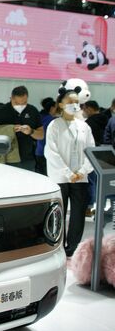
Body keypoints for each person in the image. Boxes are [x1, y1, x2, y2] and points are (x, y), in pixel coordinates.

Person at [45, 88, 95, 257]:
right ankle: (58, 246)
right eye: (70, 102)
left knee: (78, 213)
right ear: (61, 104)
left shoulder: (84, 126)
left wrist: (82, 171)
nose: (74, 105)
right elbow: (51, 152)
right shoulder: (54, 125)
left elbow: (91, 151)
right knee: (59, 212)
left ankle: (73, 248)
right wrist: (68, 173)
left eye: (76, 102)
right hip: (60, 176)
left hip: (80, 178)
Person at [0, 86, 43, 172]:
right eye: (16, 103)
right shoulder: (0, 111)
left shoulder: (33, 111)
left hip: (28, 160)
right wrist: (8, 129)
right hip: (6, 160)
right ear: (11, 98)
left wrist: (31, 131)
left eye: (24, 103)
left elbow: (41, 135)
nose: (20, 106)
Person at [83, 100, 109, 215]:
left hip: (92, 154)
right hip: (107, 154)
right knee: (103, 182)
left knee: (91, 181)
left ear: (89, 109)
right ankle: (102, 207)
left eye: (84, 109)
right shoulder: (107, 119)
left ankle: (89, 207)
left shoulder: (88, 123)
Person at [35, 97, 57, 175]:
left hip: (39, 150)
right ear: (52, 108)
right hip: (47, 152)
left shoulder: (40, 116)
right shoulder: (51, 120)